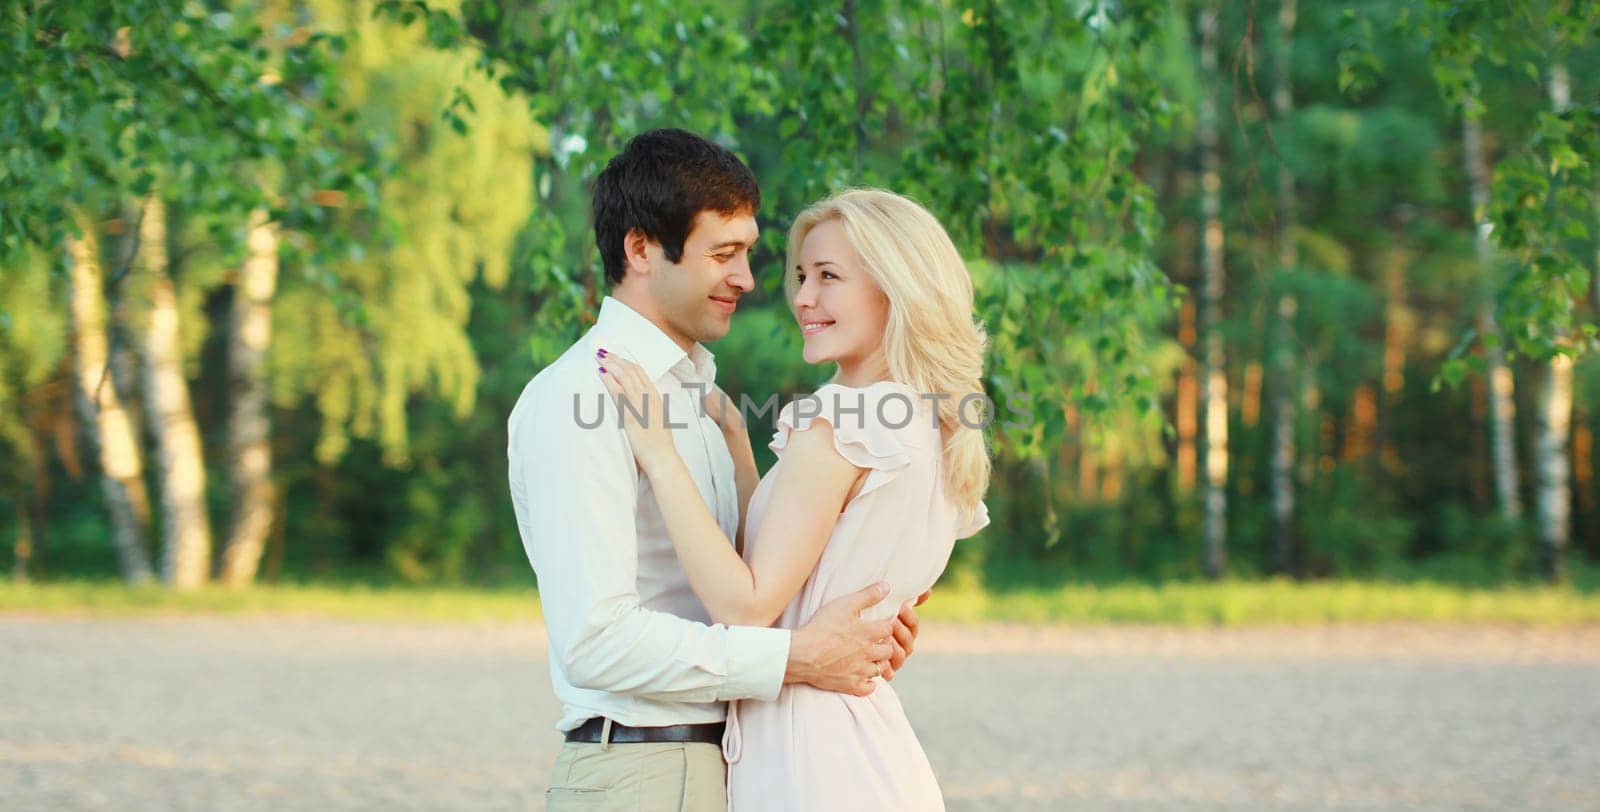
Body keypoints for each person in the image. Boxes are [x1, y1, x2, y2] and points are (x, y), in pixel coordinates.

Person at [508, 131, 927, 812]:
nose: (748, 279)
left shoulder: (702, 405)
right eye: (723, 254)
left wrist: (856, 636)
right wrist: (801, 656)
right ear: (641, 249)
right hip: (639, 773)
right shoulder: (578, 398)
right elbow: (596, 640)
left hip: (725, 762)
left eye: (749, 254)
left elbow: (742, 589)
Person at [597, 187, 991, 810]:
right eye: (802, 276)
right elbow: (800, 563)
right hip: (869, 751)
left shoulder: (842, 420)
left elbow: (746, 605)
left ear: (896, 289)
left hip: (813, 763)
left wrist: (659, 454)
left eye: (829, 277)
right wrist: (742, 453)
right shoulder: (930, 425)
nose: (802, 297)